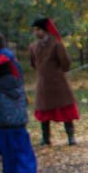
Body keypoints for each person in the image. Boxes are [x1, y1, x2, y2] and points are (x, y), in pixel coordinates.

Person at [0, 53, 37, 173]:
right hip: (20, 124)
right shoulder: (18, 84)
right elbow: (24, 101)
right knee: (23, 151)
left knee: (9, 154)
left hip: (3, 126)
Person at [28, 17, 79, 146]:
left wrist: (55, 72)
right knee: (44, 112)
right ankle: (46, 138)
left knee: (66, 111)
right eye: (35, 30)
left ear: (44, 30)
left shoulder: (56, 44)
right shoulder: (34, 47)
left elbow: (66, 63)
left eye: (38, 29)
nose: (35, 32)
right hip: (43, 85)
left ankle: (71, 136)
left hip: (58, 84)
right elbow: (33, 63)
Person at [0, 32, 23, 158]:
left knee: (0, 121)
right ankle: (3, 146)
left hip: (2, 90)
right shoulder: (10, 54)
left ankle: (0, 146)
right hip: (14, 88)